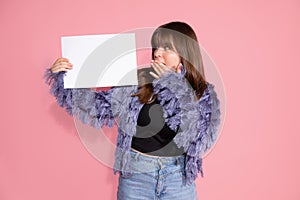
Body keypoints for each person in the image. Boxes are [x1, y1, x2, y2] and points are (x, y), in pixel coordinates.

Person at [44, 21, 221, 200]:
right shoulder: (138, 80)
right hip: (137, 177)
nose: (158, 53)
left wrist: (174, 84)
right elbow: (98, 106)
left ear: (185, 53)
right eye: (156, 47)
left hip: (178, 178)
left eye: (166, 47)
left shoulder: (202, 92)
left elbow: (197, 136)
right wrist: (65, 78)